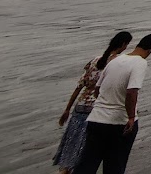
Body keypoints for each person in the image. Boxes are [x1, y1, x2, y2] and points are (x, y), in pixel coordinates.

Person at [72, 34, 151, 174]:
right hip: (119, 123)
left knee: (87, 164)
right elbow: (132, 92)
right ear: (150, 50)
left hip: (96, 120)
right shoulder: (140, 62)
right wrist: (130, 117)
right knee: (115, 165)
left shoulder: (114, 60)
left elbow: (97, 90)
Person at [55, 31, 131, 174]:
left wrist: (67, 109)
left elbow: (80, 86)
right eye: (127, 44)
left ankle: (65, 170)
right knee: (87, 151)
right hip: (97, 111)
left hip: (80, 107)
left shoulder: (95, 60)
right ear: (123, 44)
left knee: (72, 146)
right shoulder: (117, 63)